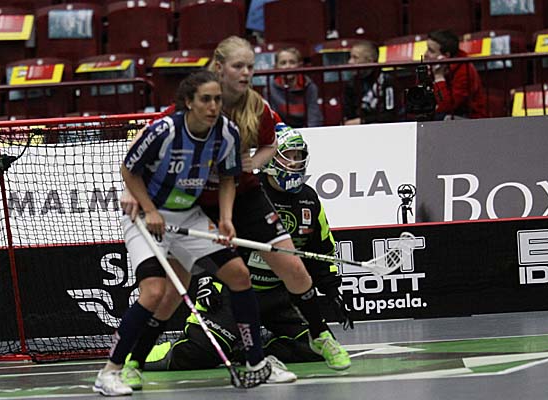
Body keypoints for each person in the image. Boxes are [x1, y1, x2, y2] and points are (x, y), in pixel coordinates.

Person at [123, 36, 351, 382]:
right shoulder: (192, 105)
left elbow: (271, 143)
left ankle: (319, 336)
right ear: (219, 67)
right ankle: (133, 363)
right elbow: (141, 146)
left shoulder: (256, 106)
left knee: (292, 265)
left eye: (251, 67)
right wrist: (133, 191)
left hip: (243, 195)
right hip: (197, 201)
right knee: (170, 291)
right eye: (238, 66)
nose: (246, 73)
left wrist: (251, 165)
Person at [93, 71, 294, 396]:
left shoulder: (227, 133)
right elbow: (129, 169)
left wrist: (226, 219)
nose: (213, 106)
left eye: (217, 100)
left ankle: (256, 363)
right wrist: (150, 209)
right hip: (146, 216)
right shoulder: (164, 131)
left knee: (239, 275)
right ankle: (110, 371)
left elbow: (228, 178)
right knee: (154, 292)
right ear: (188, 102)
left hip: (189, 215)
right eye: (205, 100)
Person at [138, 123, 353, 372]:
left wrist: (332, 289)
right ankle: (150, 352)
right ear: (270, 159)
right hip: (236, 290)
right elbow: (207, 239)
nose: (295, 162)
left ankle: (252, 347)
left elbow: (321, 249)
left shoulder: (309, 199)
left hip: (280, 294)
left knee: (311, 348)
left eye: (299, 156)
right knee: (196, 354)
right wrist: (208, 280)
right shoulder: (247, 192)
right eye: (288, 156)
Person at [424, 29, 488, 119]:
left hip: (469, 118)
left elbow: (447, 107)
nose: (425, 54)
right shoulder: (433, 67)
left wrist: (439, 77)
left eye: (431, 51)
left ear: (445, 56)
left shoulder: (465, 70)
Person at [262, 47, 323, 128]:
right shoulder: (269, 90)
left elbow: (314, 118)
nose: (288, 66)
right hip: (282, 132)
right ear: (276, 67)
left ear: (299, 65)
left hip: (305, 130)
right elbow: (272, 119)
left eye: (292, 62)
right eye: (283, 63)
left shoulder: (310, 87)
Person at [343, 40, 398, 125]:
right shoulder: (351, 84)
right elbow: (348, 115)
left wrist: (363, 121)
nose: (350, 62)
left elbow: (390, 114)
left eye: (355, 57)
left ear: (369, 60)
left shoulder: (386, 81)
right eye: (350, 57)